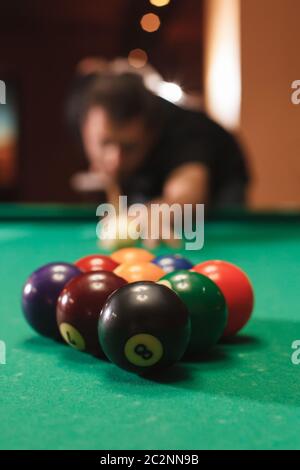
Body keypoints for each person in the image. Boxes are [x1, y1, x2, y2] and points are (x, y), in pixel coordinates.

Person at [67, 68, 250, 246]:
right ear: (85, 128)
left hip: (222, 180)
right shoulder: (79, 113)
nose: (115, 159)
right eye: (105, 143)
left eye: (129, 147)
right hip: (148, 171)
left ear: (150, 134)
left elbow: (188, 190)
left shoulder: (185, 132)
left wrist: (161, 210)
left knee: (207, 226)